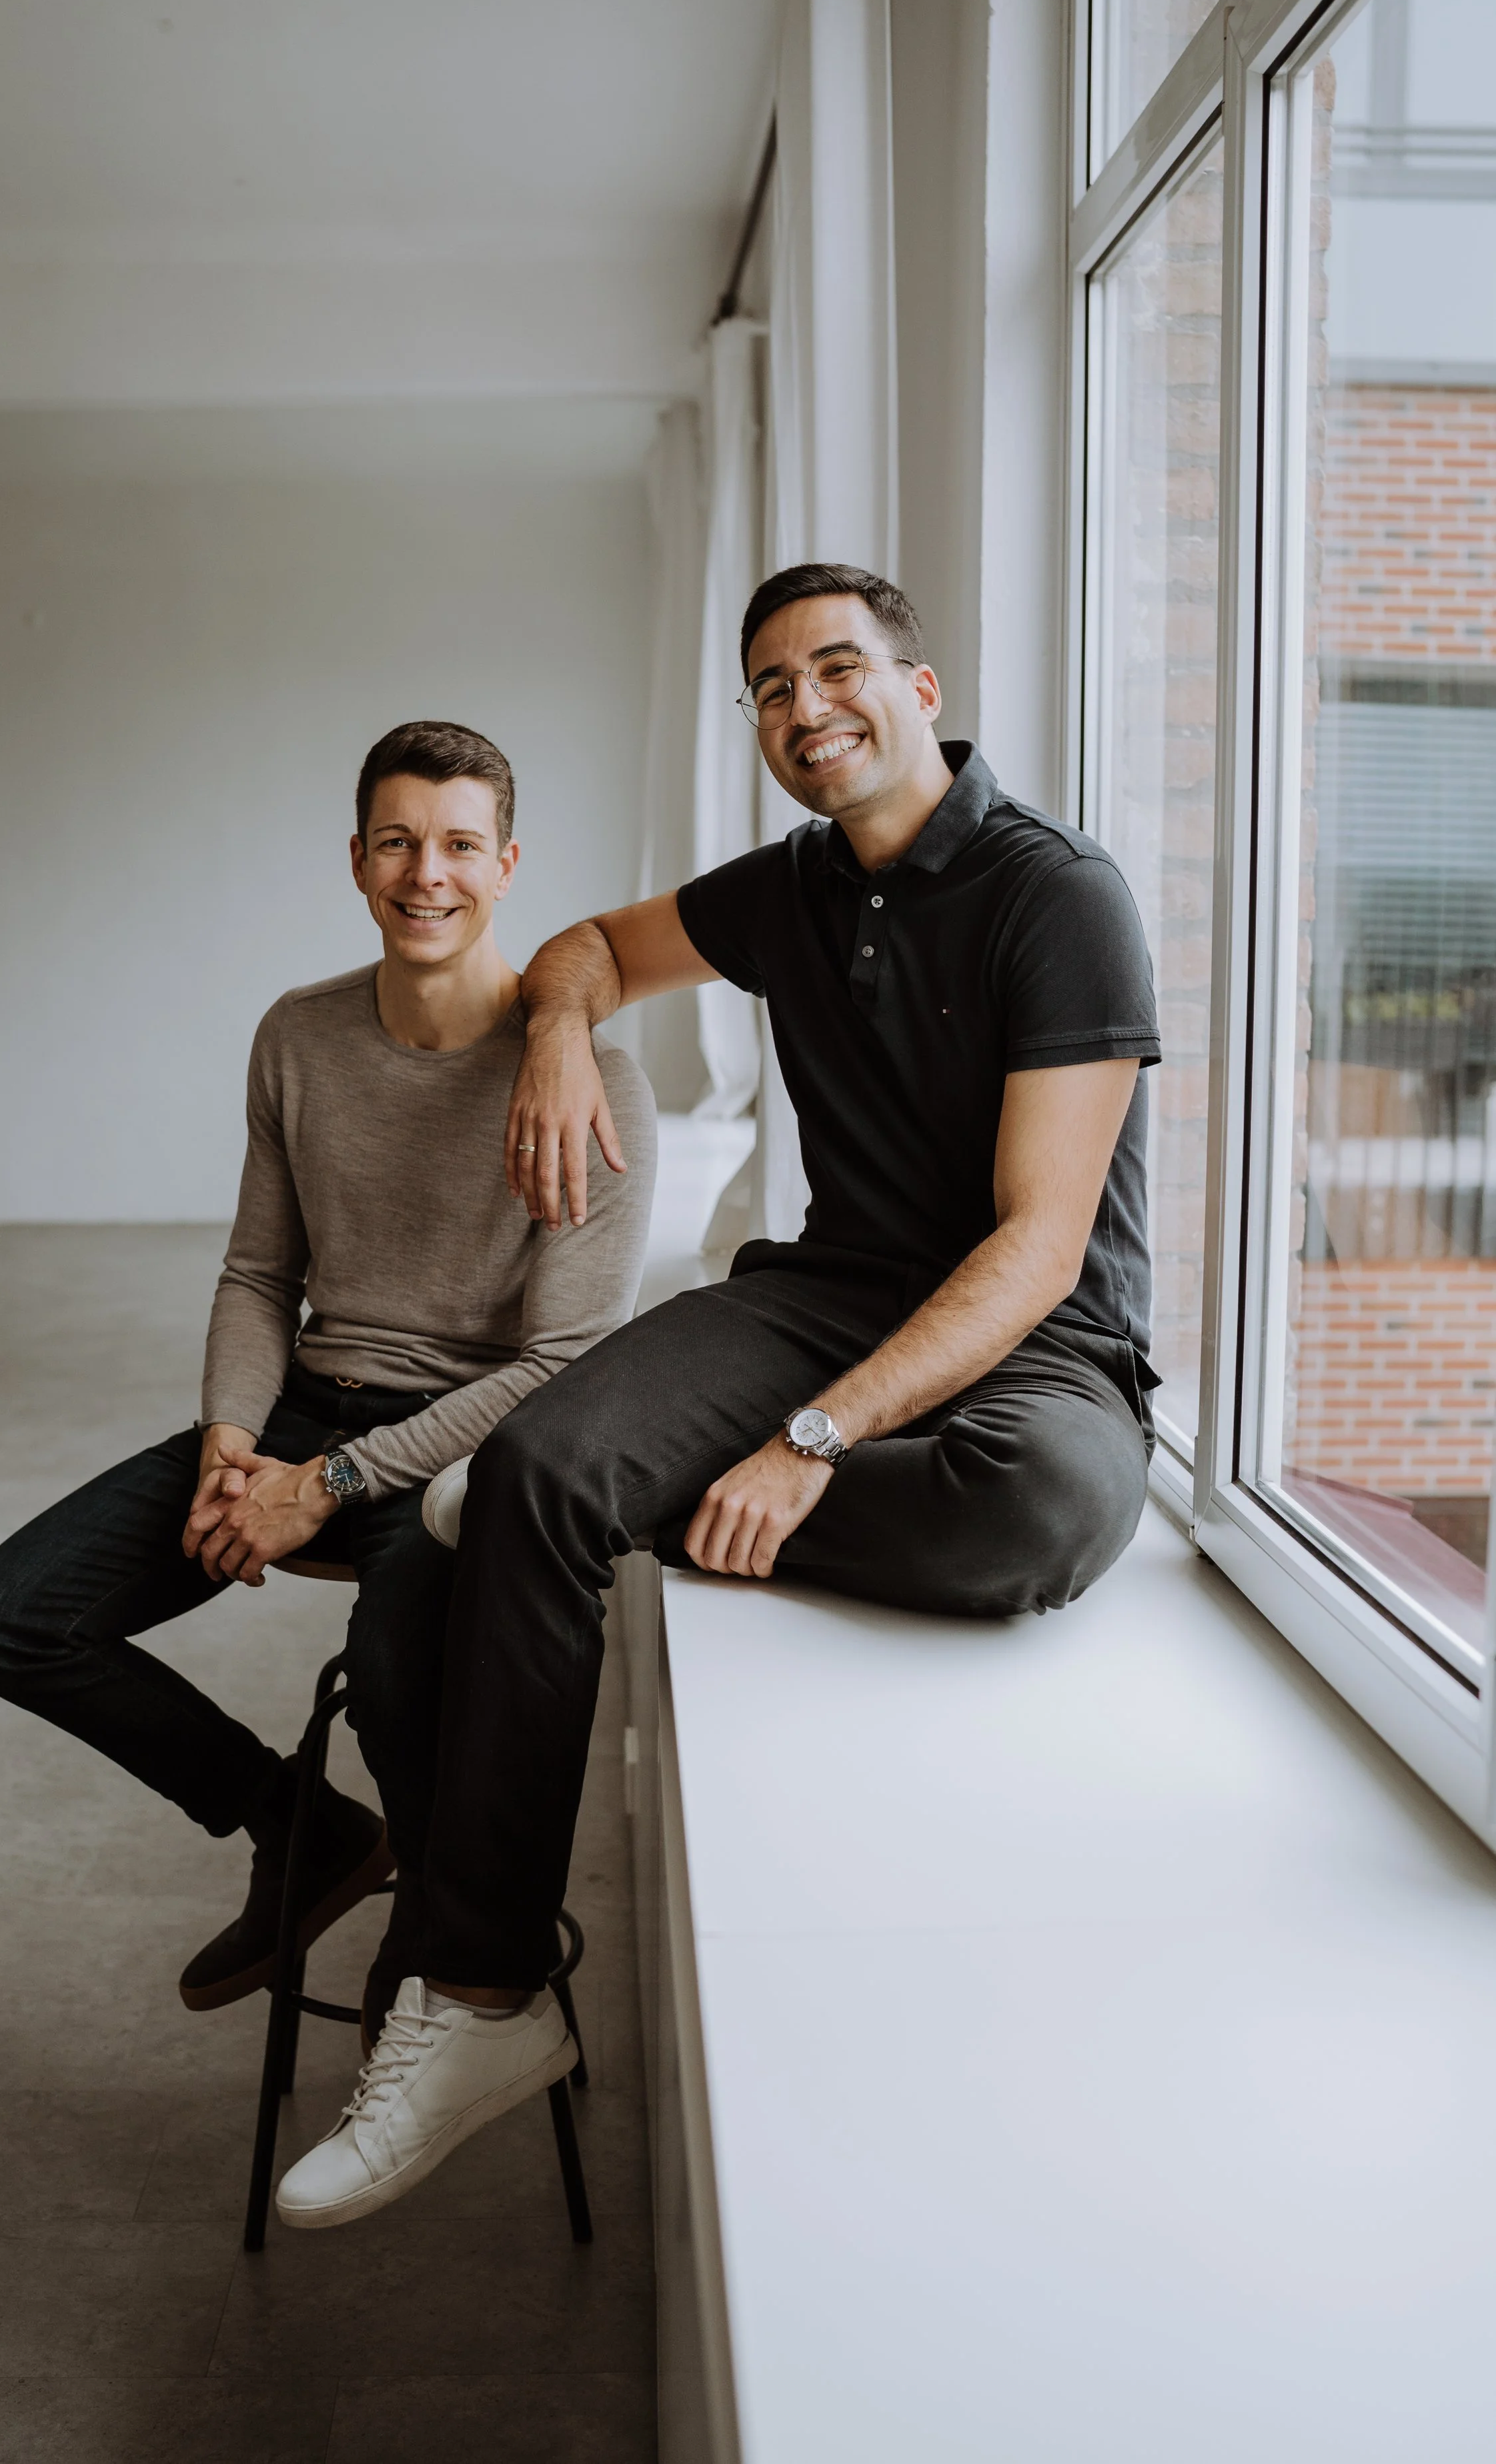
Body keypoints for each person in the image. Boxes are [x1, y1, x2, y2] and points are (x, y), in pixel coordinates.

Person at [272, 562, 1160, 2232]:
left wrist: (812, 1443)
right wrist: (557, 1038)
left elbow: (1038, 1248)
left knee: (1042, 1511)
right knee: (535, 1471)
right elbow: (587, 950)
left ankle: (613, 1503)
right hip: (823, 1292)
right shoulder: (790, 888)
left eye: (835, 669)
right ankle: (481, 1995)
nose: (803, 707)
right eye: (767, 688)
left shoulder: (1057, 894)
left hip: (1035, 1343)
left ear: (918, 687)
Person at [0, 719, 656, 2052]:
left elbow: (559, 1364)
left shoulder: (593, 1077)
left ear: (507, 866)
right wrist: (232, 1439)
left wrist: (327, 1485)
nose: (426, 874)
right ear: (356, 859)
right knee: (8, 1616)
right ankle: (301, 1824)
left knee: (395, 1667)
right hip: (301, 1406)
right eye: (397, 842)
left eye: (459, 845)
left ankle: (436, 1923)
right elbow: (260, 1274)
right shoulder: (300, 1035)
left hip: (457, 1449)